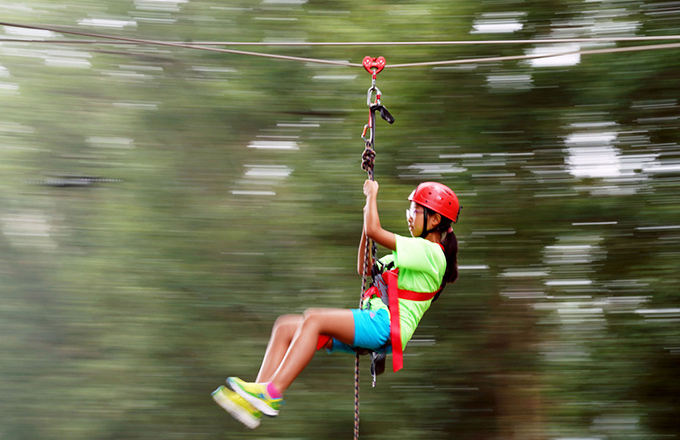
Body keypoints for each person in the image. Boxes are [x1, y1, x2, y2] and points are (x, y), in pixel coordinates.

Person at [212, 180, 461, 429]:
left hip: (385, 326)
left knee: (314, 318)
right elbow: (364, 267)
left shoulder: (431, 252)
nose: (409, 216)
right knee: (285, 326)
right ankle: (257, 399)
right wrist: (366, 222)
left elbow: (376, 230)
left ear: (435, 219)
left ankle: (272, 394)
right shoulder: (406, 256)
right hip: (376, 323)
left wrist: (372, 196)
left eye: (415, 210)